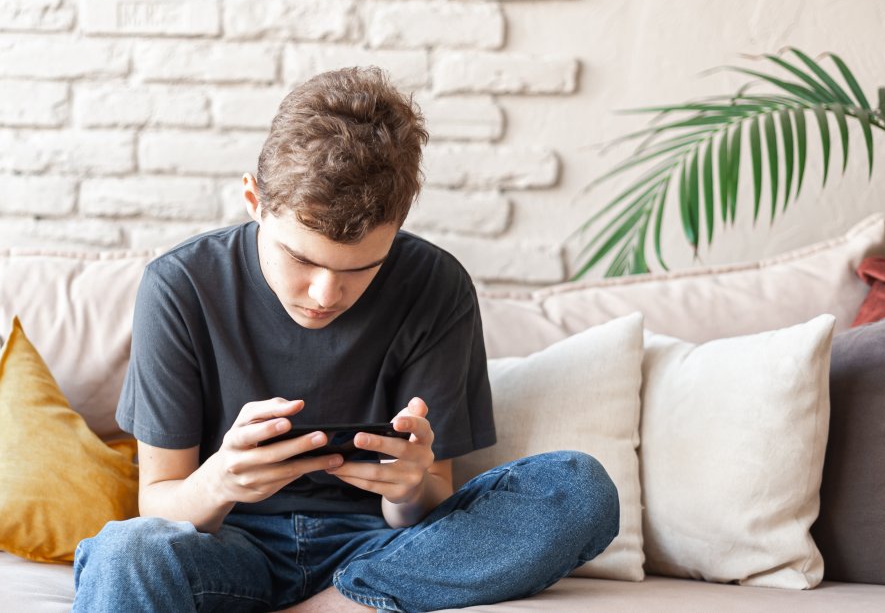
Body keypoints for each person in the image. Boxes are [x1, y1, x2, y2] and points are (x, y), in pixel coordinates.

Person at [72, 67, 620, 613]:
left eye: (361, 269)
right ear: (254, 200)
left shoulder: (437, 285)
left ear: (397, 228)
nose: (325, 294)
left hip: (384, 551)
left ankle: (336, 604)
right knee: (124, 552)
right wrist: (219, 481)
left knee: (579, 488)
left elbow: (429, 498)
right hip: (230, 548)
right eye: (301, 258)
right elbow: (159, 503)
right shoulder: (180, 285)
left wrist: (408, 489)